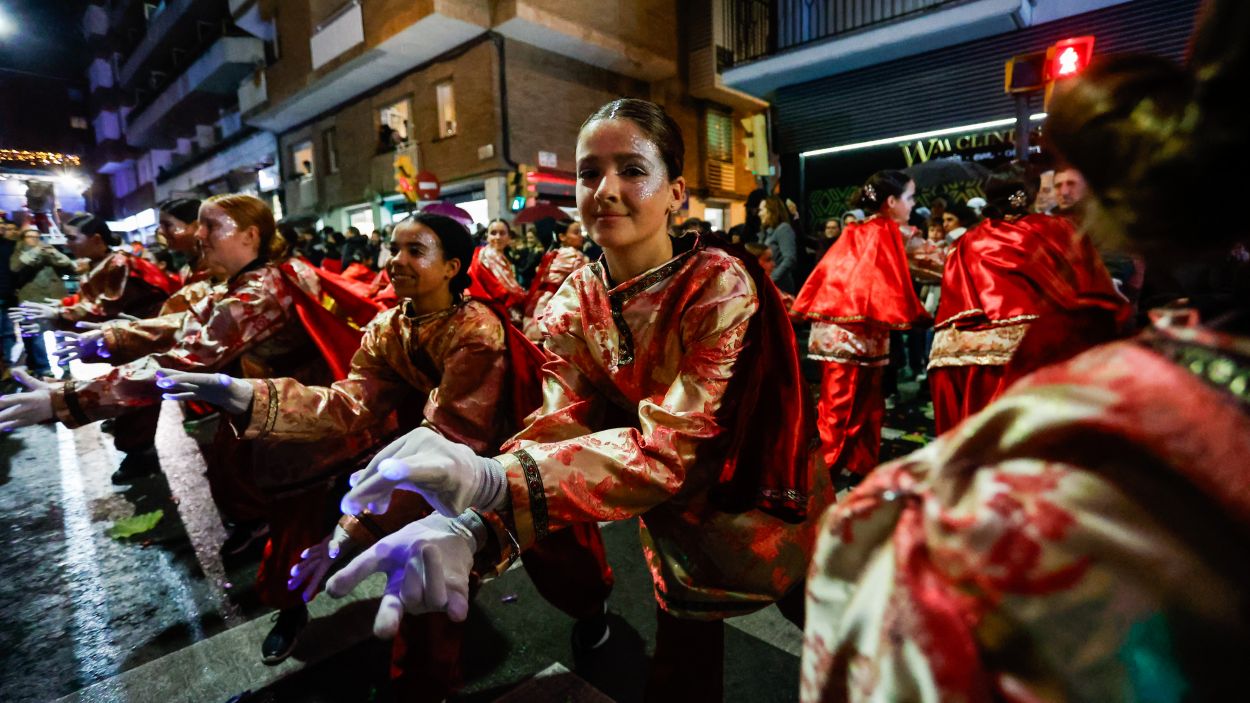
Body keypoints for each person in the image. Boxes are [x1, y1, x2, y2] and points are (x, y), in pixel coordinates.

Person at [800, 2, 1250, 697]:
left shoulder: (928, 239)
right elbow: (1085, 301)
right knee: (859, 418)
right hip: (961, 352)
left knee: (883, 431)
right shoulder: (1034, 239)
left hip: (917, 351)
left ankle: (843, 469)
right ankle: (844, 464)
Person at [324, 98, 830, 701]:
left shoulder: (718, 285)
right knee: (683, 675)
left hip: (765, 506)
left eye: (633, 170)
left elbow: (671, 449)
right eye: (590, 173)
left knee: (847, 642)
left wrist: (491, 484)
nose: (605, 189)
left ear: (677, 192)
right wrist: (471, 527)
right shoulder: (574, 299)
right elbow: (561, 424)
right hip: (671, 526)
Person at [159, 213, 614, 697]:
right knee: (425, 587)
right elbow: (351, 404)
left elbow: (452, 435)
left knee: (568, 567)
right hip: (441, 472)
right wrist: (254, 397)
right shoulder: (387, 327)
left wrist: (351, 531)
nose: (395, 262)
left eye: (415, 251)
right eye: (393, 249)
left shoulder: (477, 330)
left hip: (506, 464)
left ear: (451, 267)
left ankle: (592, 609)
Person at [0, 194, 380, 663]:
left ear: (250, 235)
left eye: (210, 226)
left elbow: (186, 357)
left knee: (298, 544)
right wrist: (110, 338)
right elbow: (191, 319)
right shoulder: (258, 277)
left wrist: (67, 400)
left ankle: (307, 613)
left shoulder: (261, 290)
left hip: (301, 439)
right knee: (265, 504)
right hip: (286, 426)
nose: (198, 235)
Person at [927, 164, 1128, 434]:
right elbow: (1095, 292)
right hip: (1030, 365)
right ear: (1029, 195)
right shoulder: (1055, 229)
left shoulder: (965, 241)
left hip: (964, 367)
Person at [792, 171, 931, 481]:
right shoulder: (895, 234)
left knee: (856, 405)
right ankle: (819, 475)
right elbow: (935, 263)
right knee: (845, 408)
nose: (912, 204)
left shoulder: (854, 231)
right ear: (891, 202)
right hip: (854, 336)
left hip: (844, 332)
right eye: (909, 197)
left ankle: (855, 465)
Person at [10, 227, 76, 377]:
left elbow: (71, 266)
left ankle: (66, 366)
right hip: (31, 299)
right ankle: (44, 369)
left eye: (37, 236)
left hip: (54, 298)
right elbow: (16, 267)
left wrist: (54, 252)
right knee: (36, 336)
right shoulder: (18, 252)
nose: (34, 239)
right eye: (30, 236)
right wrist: (36, 251)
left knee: (60, 332)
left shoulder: (48, 251)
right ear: (23, 239)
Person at [521, 220, 589, 340]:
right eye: (576, 232)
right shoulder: (574, 255)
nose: (580, 236)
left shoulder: (554, 252)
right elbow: (583, 283)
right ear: (562, 237)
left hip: (543, 299)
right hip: (559, 302)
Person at [467, 218, 527, 318]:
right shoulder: (486, 256)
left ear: (509, 237)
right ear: (487, 236)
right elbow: (500, 291)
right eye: (493, 233)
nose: (498, 237)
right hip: (492, 312)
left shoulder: (502, 256)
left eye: (502, 233)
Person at [759, 196, 799, 294]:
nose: (759, 213)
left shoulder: (783, 229)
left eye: (761, 210)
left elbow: (790, 259)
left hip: (781, 286)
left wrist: (771, 279)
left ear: (772, 211)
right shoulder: (767, 231)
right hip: (771, 285)